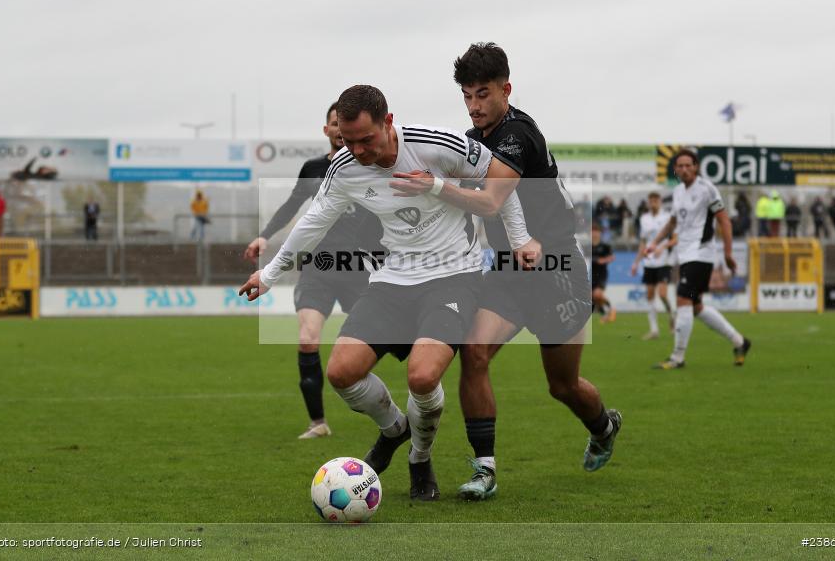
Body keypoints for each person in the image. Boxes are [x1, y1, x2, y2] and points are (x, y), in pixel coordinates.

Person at [239, 84, 537, 501]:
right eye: (348, 141)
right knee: (341, 373)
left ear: (388, 122)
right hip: (392, 279)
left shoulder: (435, 145)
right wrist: (268, 275)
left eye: (366, 139)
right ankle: (395, 429)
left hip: (453, 276)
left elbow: (499, 183)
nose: (357, 151)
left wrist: (521, 239)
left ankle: (419, 456)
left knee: (422, 375)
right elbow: (313, 223)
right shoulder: (343, 167)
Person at [446, 43, 621, 501]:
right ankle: (485, 469)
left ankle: (604, 426)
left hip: (557, 268)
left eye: (482, 94)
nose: (474, 106)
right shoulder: (474, 140)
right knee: (474, 352)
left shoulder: (518, 134)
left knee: (562, 386)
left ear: (506, 89)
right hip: (507, 271)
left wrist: (434, 187)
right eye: (467, 96)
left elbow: (489, 201)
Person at [243, 102, 381, 440]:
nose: (338, 129)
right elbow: (292, 205)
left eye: (343, 124)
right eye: (334, 123)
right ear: (327, 130)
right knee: (307, 339)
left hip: (356, 268)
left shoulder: (368, 166)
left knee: (382, 341)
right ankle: (318, 423)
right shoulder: (313, 168)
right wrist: (264, 236)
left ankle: (382, 396)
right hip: (317, 269)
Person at [645, 148, 751, 370]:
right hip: (685, 255)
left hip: (701, 254)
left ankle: (677, 357)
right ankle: (740, 342)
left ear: (696, 167)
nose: (684, 169)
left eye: (688, 165)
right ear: (675, 169)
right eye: (680, 166)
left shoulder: (707, 189)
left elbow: (724, 221)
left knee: (683, 298)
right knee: (695, 306)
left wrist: (728, 253)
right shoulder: (677, 193)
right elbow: (672, 223)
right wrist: (655, 242)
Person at [631, 192, 676, 339]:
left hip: (664, 260)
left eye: (656, 200)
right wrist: (636, 262)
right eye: (651, 200)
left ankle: (672, 314)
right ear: (648, 203)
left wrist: (662, 247)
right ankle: (654, 330)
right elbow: (643, 242)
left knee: (662, 294)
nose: (653, 203)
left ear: (660, 201)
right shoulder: (644, 219)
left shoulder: (668, 217)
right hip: (649, 261)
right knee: (650, 294)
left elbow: (676, 238)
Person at [591, 222, 616, 323]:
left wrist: (603, 260)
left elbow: (612, 257)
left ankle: (611, 309)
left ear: (600, 233)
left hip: (601, 274)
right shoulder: (587, 246)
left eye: (596, 231)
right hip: (590, 274)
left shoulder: (605, 246)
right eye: (593, 231)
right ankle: (606, 313)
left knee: (597, 295)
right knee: (592, 297)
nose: (594, 234)